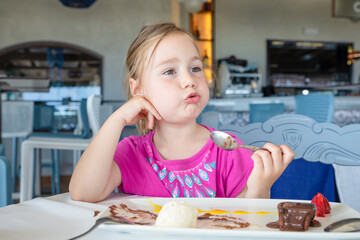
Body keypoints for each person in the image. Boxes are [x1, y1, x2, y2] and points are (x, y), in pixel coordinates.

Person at [69, 23, 294, 203]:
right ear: (138, 90)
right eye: (169, 71)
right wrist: (116, 120)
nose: (189, 80)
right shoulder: (131, 154)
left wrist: (260, 187)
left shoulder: (227, 148)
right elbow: (83, 193)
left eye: (195, 68)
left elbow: (244, 223)